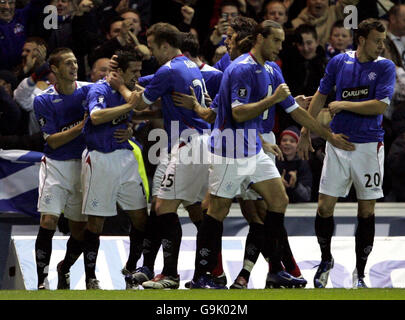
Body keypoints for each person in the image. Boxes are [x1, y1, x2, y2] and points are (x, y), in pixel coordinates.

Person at [190, 19, 355, 289]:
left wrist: (326, 135)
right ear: (259, 38)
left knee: (278, 200)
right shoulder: (241, 68)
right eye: (276, 41)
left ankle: (275, 270)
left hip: (253, 149)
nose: (280, 46)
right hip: (230, 149)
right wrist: (272, 100)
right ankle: (203, 274)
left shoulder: (272, 70)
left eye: (281, 41)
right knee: (216, 210)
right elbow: (238, 112)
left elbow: (295, 110)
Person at [297, 18, 396, 288]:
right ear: (362, 40)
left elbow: (378, 107)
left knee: (366, 210)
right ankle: (326, 259)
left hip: (368, 147)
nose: (381, 45)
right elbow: (319, 95)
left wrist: (344, 104)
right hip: (337, 144)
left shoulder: (385, 67)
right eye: (377, 40)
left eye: (384, 40)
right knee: (324, 207)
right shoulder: (339, 62)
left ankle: (360, 273)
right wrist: (306, 131)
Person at [114, 22, 210, 290]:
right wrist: (130, 79)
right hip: (197, 142)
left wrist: (121, 86)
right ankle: (205, 269)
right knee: (182, 205)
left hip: (188, 143)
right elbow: (153, 81)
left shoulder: (169, 69)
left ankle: (170, 274)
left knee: (163, 207)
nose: (152, 53)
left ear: (165, 45)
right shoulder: (188, 65)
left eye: (154, 47)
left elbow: (140, 102)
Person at [81, 50, 148, 290]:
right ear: (119, 72)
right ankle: (91, 277)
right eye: (135, 72)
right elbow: (97, 116)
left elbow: (137, 106)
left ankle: (131, 269)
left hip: (125, 158)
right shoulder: (98, 89)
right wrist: (126, 108)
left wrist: (129, 127)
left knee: (141, 218)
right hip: (100, 158)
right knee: (96, 221)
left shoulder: (129, 89)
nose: (138, 76)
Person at [33, 47, 92, 290]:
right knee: (48, 220)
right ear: (55, 69)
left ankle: (64, 268)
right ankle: (41, 282)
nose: (74, 66)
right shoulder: (43, 99)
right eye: (68, 63)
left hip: (83, 166)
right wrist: (82, 126)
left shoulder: (89, 91)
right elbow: (53, 141)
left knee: (79, 230)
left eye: (76, 62)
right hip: (56, 165)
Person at [291, 0, 359, 47]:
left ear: (328, 1)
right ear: (307, 1)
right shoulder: (296, 24)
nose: (318, 1)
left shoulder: (336, 12)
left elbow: (349, 2)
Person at [276, 126, 312, 202]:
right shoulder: (274, 162)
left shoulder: (303, 164)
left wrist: (295, 185)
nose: (287, 143)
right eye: (284, 140)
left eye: (292, 141)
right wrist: (278, 185)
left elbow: (307, 196)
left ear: (298, 145)